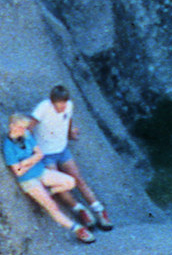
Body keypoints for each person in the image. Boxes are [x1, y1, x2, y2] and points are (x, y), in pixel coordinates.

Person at [28, 84, 113, 230]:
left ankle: (99, 210)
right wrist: (32, 149)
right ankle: (80, 209)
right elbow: (29, 127)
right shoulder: (43, 108)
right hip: (47, 153)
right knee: (59, 186)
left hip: (62, 149)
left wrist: (70, 133)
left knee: (78, 179)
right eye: (58, 104)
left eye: (64, 103)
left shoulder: (69, 106)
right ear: (52, 101)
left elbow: (68, 119)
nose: (61, 107)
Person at [2, 115, 94, 242]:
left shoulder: (27, 136)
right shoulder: (8, 146)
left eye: (24, 127)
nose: (23, 130)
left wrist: (26, 162)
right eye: (20, 127)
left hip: (40, 171)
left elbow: (40, 154)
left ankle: (49, 192)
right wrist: (33, 159)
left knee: (70, 182)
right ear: (11, 126)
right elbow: (18, 172)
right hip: (28, 180)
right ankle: (77, 229)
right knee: (53, 207)